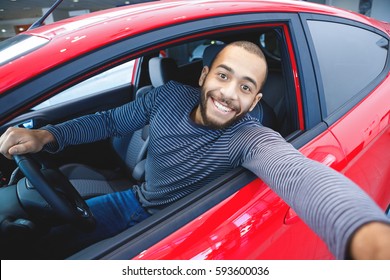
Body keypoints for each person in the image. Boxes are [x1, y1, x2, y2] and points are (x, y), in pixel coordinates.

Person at [1, 41, 389, 259]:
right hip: (134, 201)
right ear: (205, 76)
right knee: (47, 245)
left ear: (254, 102)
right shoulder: (167, 97)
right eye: (224, 76)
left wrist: (367, 236)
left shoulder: (250, 138)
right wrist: (46, 137)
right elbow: (109, 122)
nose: (228, 94)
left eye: (246, 87)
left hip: (173, 227)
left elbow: (301, 176)